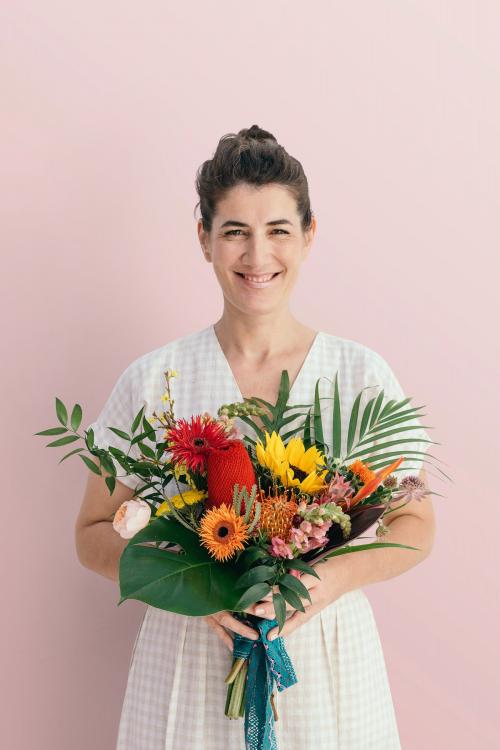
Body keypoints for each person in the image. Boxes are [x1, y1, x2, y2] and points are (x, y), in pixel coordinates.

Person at [75, 124, 435, 749]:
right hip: (188, 662)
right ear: (204, 239)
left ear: (310, 235)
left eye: (278, 231)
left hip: (324, 657)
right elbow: (90, 534)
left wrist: (331, 581)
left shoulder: (359, 376)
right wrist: (193, 589)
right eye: (235, 232)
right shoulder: (157, 379)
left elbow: (417, 526)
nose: (256, 256)